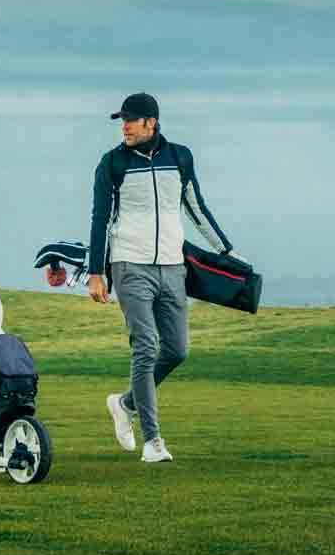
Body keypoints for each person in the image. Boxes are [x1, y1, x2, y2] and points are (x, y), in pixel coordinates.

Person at [87, 93, 239, 463]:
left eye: (131, 120)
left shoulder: (180, 157)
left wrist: (227, 252)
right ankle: (153, 441)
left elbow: (196, 208)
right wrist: (96, 272)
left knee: (176, 350)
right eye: (121, 120)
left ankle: (124, 404)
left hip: (173, 267)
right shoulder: (112, 164)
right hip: (129, 264)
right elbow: (100, 220)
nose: (124, 126)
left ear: (151, 123)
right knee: (145, 345)